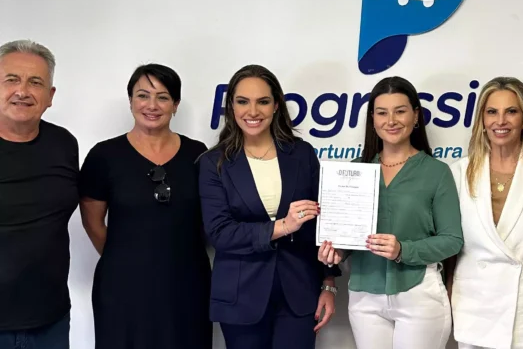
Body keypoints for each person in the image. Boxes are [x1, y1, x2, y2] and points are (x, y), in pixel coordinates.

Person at [317, 76, 463, 349]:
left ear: (415, 115)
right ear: (372, 119)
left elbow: (452, 240)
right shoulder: (355, 171)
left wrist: (403, 250)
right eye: (382, 113)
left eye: (400, 111)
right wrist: (336, 252)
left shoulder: (437, 172)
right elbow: (348, 239)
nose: (391, 120)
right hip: (364, 296)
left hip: (418, 293)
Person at [199, 64, 338, 349]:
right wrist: (282, 226)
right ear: (231, 107)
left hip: (299, 292)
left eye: (262, 101)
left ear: (276, 105)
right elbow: (220, 233)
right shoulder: (214, 163)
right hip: (241, 296)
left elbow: (322, 224)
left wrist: (328, 282)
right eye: (243, 101)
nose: (253, 111)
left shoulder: (301, 154)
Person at [78, 64, 212, 349]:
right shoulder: (104, 155)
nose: (152, 105)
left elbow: (207, 219)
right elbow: (92, 221)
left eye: (163, 97)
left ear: (175, 105)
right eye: (142, 96)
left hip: (187, 284)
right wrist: (129, 258)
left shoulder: (198, 154)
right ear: (130, 101)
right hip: (123, 287)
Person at [447, 77, 523, 349]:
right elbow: (449, 247)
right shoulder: (458, 173)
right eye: (492, 112)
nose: (500, 121)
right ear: (482, 120)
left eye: (511, 111)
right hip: (475, 310)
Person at [0, 40, 77, 349]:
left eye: (35, 82)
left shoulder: (64, 144)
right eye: (11, 79)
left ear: (50, 96)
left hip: (50, 319)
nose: (22, 91)